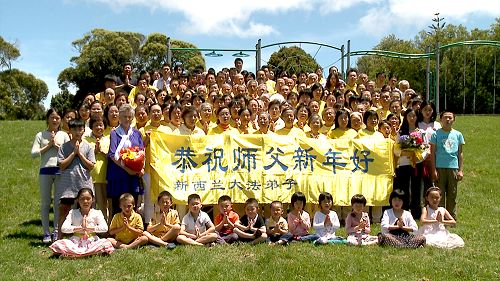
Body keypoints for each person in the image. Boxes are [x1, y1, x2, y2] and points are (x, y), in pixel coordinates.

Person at [31, 108, 70, 243]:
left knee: (58, 203)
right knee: (46, 202)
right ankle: (46, 233)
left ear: (61, 120)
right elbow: (33, 154)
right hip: (45, 171)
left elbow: (68, 153)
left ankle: (56, 232)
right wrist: (48, 146)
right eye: (52, 117)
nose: (55, 120)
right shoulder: (40, 135)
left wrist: (57, 146)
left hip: (60, 171)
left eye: (57, 118)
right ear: (47, 118)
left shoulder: (64, 135)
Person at [56, 119, 96, 240]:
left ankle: (87, 237)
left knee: (86, 211)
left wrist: (80, 154)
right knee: (64, 210)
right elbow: (61, 165)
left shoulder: (88, 147)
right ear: (69, 131)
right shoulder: (64, 147)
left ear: (84, 130)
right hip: (68, 184)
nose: (77, 132)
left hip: (84, 183)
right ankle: (59, 238)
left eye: (80, 129)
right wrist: (73, 153)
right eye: (74, 129)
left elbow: (91, 166)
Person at [49, 188, 114, 257]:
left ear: (93, 199)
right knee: (58, 244)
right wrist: (79, 228)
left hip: (92, 241)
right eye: (82, 199)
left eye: (88, 199)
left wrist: (89, 228)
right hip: (76, 241)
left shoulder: (97, 213)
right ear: (77, 200)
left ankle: (74, 254)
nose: (85, 201)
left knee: (106, 243)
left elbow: (104, 228)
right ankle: (88, 253)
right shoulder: (73, 213)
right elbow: (64, 228)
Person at [107, 104, 144, 216]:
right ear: (119, 117)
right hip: (119, 173)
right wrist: (127, 169)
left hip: (134, 175)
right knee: (118, 204)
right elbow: (113, 154)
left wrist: (141, 168)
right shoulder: (114, 133)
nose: (127, 119)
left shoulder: (136, 133)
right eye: (124, 116)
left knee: (132, 203)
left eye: (129, 117)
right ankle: (117, 230)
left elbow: (142, 152)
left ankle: (132, 229)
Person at [430, 110, 464, 220]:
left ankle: (451, 217)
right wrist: (434, 169)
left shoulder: (458, 134)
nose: (448, 119)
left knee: (452, 194)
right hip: (440, 167)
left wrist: (460, 170)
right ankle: (439, 216)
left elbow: (460, 153)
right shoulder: (436, 134)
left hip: (453, 167)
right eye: (445, 117)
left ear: (454, 120)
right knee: (439, 194)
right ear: (441, 120)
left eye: (450, 117)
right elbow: (432, 153)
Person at [84, 115, 110, 223]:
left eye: (101, 125)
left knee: (104, 205)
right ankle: (90, 228)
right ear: (91, 127)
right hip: (90, 177)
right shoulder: (86, 140)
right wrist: (94, 152)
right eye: (96, 125)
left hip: (104, 177)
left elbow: (112, 157)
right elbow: (83, 156)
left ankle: (104, 229)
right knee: (90, 206)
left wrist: (103, 153)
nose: (99, 128)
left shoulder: (108, 140)